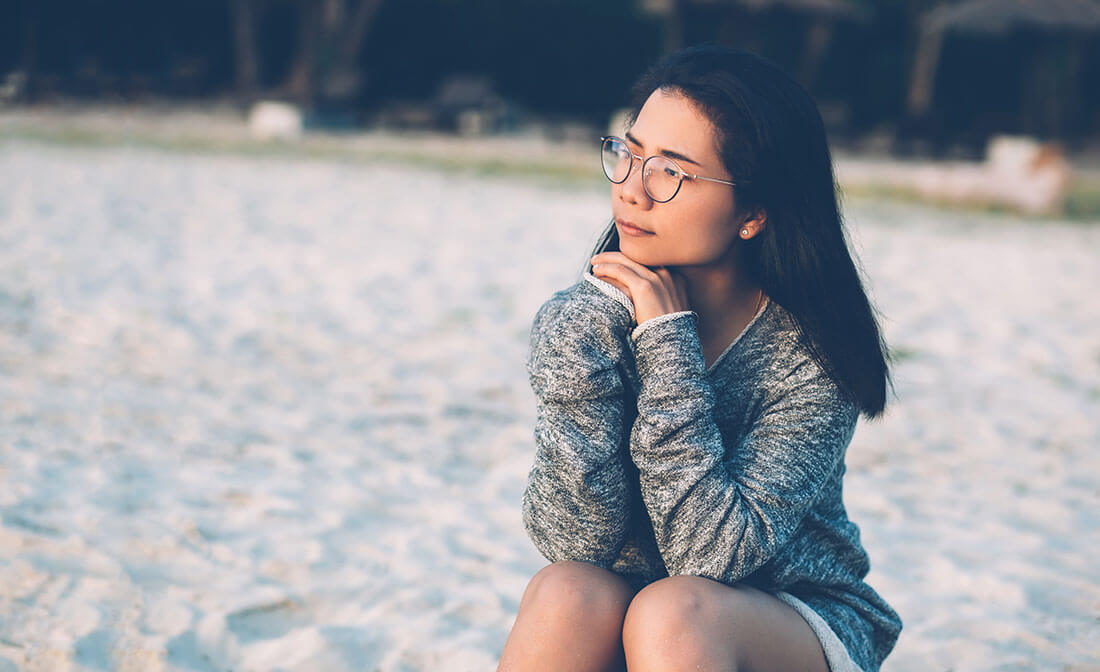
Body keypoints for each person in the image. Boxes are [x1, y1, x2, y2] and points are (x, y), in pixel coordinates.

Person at [498, 44, 902, 672]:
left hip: (791, 620)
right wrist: (578, 357)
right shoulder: (591, 322)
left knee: (674, 611)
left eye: (671, 171)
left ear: (754, 212)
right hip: (641, 606)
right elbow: (573, 541)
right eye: (629, 155)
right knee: (565, 590)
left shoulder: (811, 357)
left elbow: (709, 555)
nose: (633, 190)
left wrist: (668, 350)